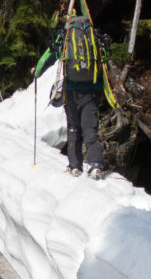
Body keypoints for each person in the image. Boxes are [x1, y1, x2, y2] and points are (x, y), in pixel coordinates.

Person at [34, 16, 110, 180]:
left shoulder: (65, 36)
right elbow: (104, 57)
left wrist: (36, 72)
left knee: (73, 128)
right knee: (90, 129)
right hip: (91, 91)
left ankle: (75, 166)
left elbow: (47, 57)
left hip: (71, 92)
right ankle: (95, 165)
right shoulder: (93, 36)